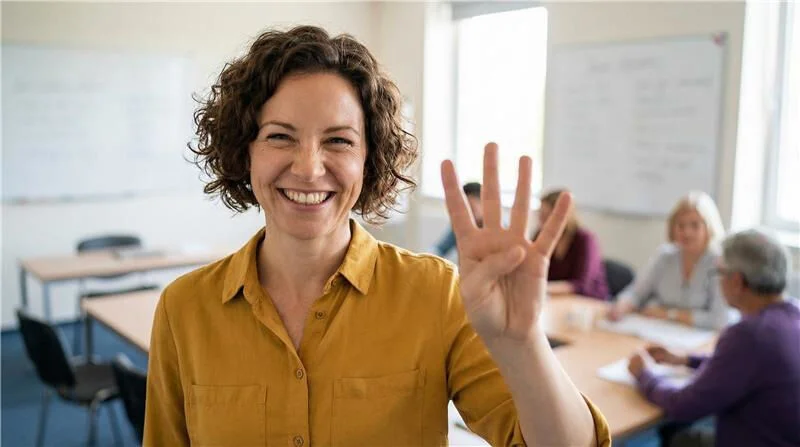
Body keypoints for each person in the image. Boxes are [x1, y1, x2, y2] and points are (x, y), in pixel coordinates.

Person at [143, 26, 610, 446]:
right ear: (245, 152)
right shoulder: (184, 308)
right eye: (280, 136)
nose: (308, 168)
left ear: (370, 160)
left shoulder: (437, 294)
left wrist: (523, 343)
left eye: (339, 140)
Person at [627, 229, 800, 447]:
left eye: (719, 272)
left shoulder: (749, 335)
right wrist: (687, 360)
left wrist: (643, 374)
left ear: (736, 281)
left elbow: (683, 405)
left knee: (677, 436)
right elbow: (743, 369)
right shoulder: (792, 314)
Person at [608, 191, 730, 329]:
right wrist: (622, 305)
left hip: (699, 338)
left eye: (695, 225)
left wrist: (669, 314)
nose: (687, 232)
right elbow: (636, 293)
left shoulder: (719, 263)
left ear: (709, 228)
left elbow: (720, 320)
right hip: (658, 331)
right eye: (681, 225)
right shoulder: (664, 256)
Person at [533, 189, 609, 300]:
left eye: (545, 215)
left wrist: (542, 288)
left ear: (563, 215)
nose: (540, 220)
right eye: (540, 214)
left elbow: (581, 284)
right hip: (555, 299)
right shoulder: (539, 236)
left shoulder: (585, 239)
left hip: (588, 300)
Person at [431, 182, 482, 259]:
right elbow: (439, 249)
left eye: (471, 208)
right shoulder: (460, 227)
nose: (465, 214)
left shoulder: (497, 231)